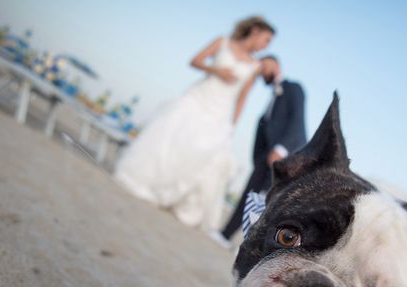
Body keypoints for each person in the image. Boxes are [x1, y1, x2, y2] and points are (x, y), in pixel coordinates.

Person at [113, 16, 275, 230]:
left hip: (220, 112)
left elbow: (242, 98)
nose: (266, 45)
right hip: (198, 98)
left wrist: (231, 126)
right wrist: (216, 71)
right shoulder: (222, 42)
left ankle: (178, 200)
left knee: (201, 153)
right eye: (266, 39)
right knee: (169, 139)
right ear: (255, 31)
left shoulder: (254, 66)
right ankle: (150, 185)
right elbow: (195, 61)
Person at [209, 56, 306, 248]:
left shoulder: (294, 88)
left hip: (285, 158)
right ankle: (227, 236)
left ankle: (248, 244)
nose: (261, 71)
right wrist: (261, 156)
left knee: (272, 203)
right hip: (267, 156)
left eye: (264, 65)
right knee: (252, 195)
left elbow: (298, 122)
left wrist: (281, 149)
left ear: (275, 65)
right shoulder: (273, 97)